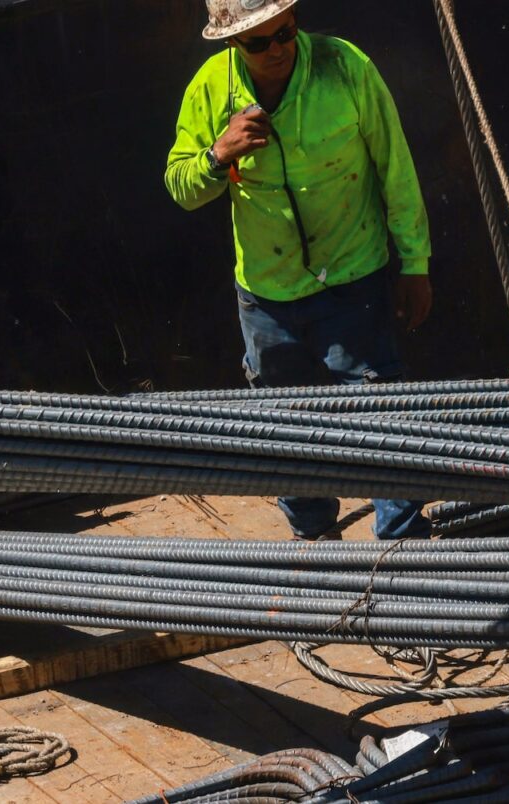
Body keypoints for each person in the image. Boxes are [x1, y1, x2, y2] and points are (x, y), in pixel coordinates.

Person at [164, 0, 433, 540]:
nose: (278, 50)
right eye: (259, 42)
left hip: (354, 280)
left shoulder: (345, 68)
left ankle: (402, 555)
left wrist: (415, 264)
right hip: (267, 299)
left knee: (381, 422)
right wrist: (219, 154)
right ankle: (313, 548)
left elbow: (395, 169)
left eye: (285, 33)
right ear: (232, 43)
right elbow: (180, 186)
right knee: (289, 436)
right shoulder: (210, 89)